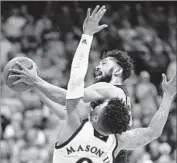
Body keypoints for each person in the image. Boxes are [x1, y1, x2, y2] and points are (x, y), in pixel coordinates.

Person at [9, 6, 176, 163]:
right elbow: (152, 132)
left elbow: (71, 93)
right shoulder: (118, 134)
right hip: (112, 150)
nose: (98, 66)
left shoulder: (109, 91)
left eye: (104, 63)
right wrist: (168, 96)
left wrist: (36, 81)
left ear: (117, 71)